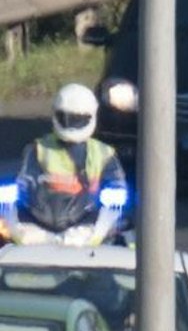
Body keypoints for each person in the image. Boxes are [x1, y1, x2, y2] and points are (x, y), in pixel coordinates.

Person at [15, 85, 127, 241]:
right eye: (66, 118)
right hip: (38, 224)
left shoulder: (104, 153)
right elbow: (24, 183)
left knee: (128, 235)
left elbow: (117, 187)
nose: (72, 123)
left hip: (88, 223)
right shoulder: (38, 149)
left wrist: (110, 205)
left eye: (78, 119)